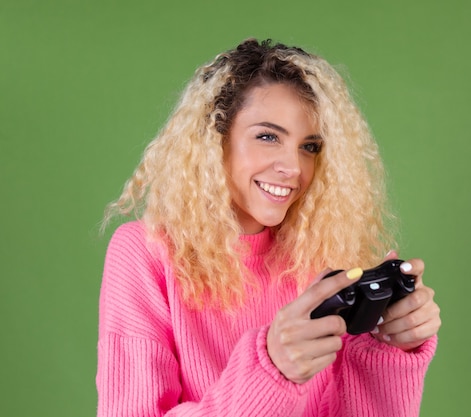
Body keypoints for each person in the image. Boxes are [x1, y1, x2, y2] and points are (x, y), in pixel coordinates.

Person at [97, 38, 441, 417]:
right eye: (268, 137)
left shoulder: (323, 253)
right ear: (215, 139)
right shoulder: (145, 252)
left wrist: (390, 347)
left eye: (309, 147)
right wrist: (270, 369)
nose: (293, 167)